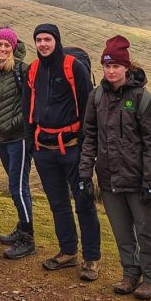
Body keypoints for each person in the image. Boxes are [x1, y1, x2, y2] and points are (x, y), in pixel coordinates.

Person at [79, 36, 151, 300]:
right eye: (107, 66)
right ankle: (130, 273)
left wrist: (150, 183)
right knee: (121, 230)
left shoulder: (143, 99)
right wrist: (84, 173)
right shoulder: (96, 97)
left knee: (145, 230)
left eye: (116, 65)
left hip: (137, 179)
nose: (111, 71)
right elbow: (90, 137)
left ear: (127, 67)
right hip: (108, 178)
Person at [28, 23, 100, 281]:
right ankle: (68, 251)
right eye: (38, 40)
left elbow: (88, 109)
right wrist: (32, 148)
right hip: (44, 149)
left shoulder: (74, 68)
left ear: (56, 41)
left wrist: (85, 150)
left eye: (47, 39)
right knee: (58, 204)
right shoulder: (34, 69)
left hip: (71, 148)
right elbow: (30, 109)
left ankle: (91, 259)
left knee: (84, 203)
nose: (43, 44)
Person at [0, 27, 36, 259]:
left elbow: (28, 105)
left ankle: (28, 238)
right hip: (0, 137)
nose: (2, 49)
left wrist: (12, 124)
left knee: (18, 187)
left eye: (7, 45)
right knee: (16, 185)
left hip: (18, 138)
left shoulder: (21, 70)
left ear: (13, 48)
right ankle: (22, 227)